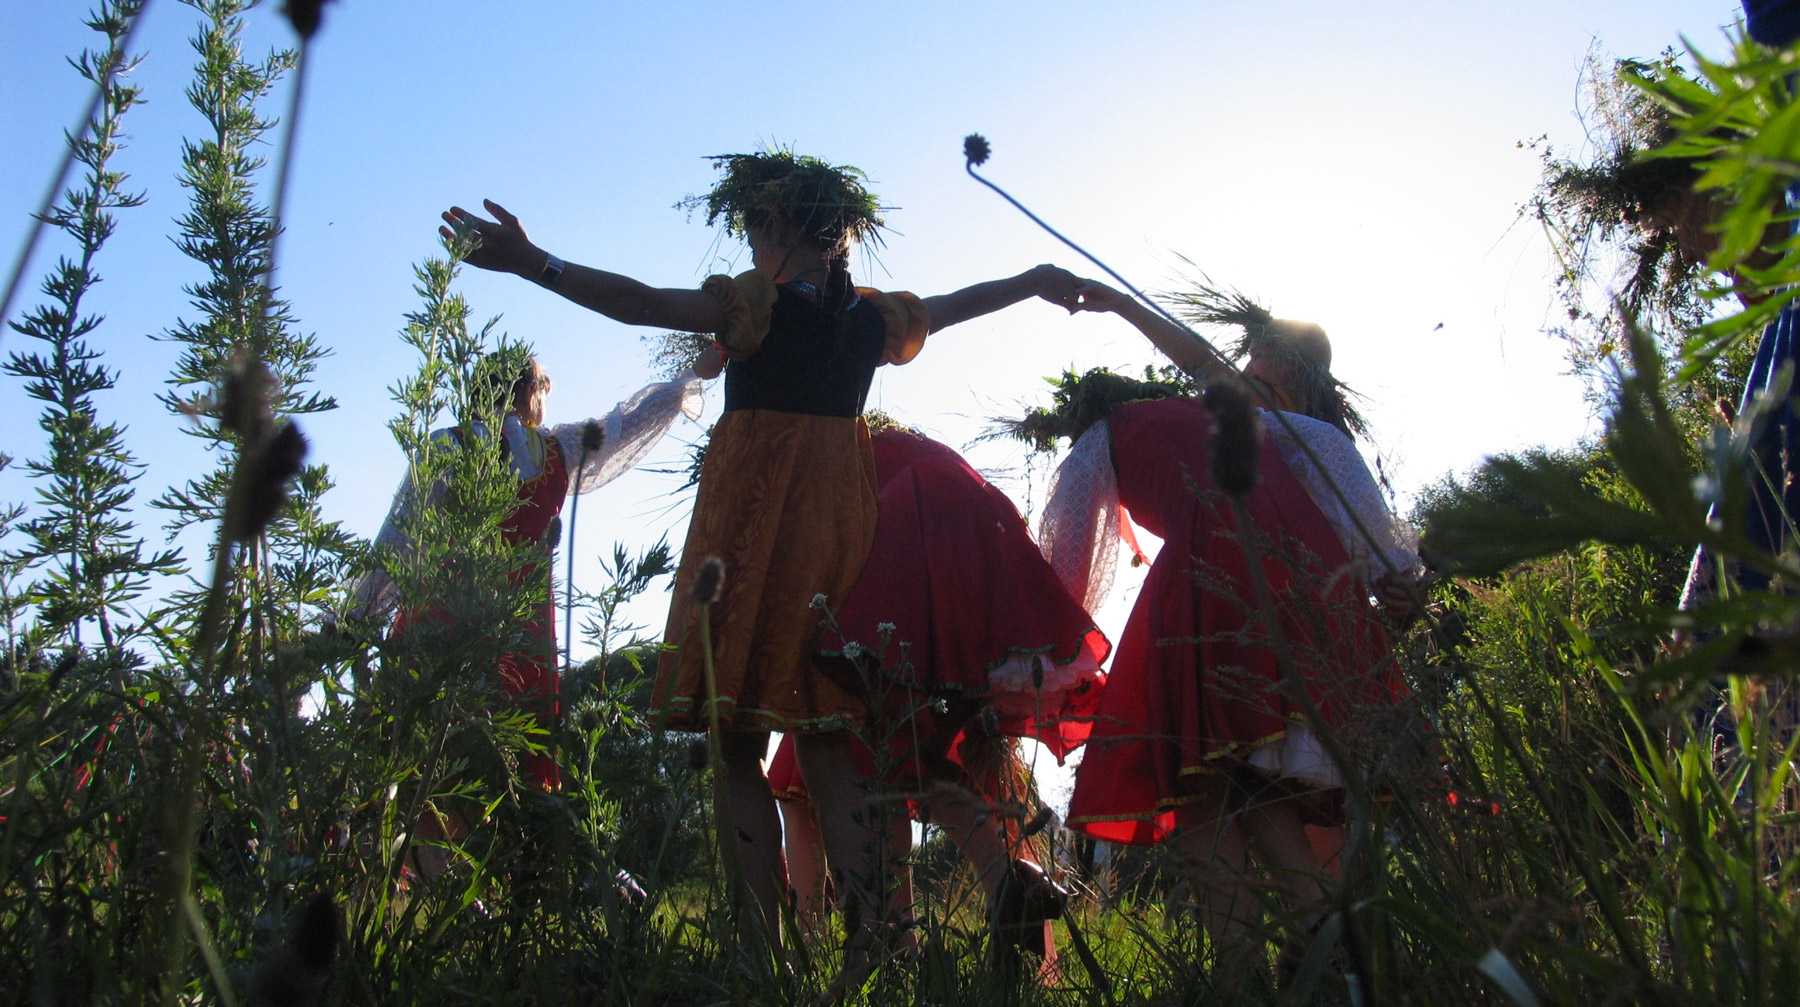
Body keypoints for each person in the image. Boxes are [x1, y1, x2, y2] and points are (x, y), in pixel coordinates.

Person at [438, 149, 1083, 974]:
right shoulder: (870, 318)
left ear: (778, 229)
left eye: (753, 235)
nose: (748, 251)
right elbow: (955, 305)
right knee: (825, 732)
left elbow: (640, 302)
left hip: (747, 527)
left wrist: (535, 263)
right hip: (839, 530)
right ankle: (882, 942)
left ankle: (759, 953)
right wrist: (1032, 279)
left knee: (734, 739)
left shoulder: (757, 304)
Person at [1050, 280, 1416, 961]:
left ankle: (1267, 958)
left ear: (1302, 388)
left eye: (1262, 380)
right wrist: (1396, 580)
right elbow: (1381, 554)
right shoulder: (1277, 433)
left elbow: (1377, 544)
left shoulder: (1306, 438)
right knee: (1239, 780)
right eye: (1244, 374)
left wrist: (1398, 582)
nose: (1243, 387)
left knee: (1209, 780)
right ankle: (1315, 942)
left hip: (1230, 597)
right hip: (1295, 619)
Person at [761, 420, 1109, 971]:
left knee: (869, 748)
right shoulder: (882, 442)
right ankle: (1007, 881)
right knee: (915, 753)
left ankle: (890, 941)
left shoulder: (815, 450)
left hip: (911, 528)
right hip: (978, 529)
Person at [350, 351, 700, 874]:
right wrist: (689, 379)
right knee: (504, 765)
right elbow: (626, 424)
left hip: (437, 621)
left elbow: (398, 540)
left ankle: (451, 894)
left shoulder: (447, 446)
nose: (544, 401)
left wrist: (356, 618)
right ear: (525, 393)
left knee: (434, 765)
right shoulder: (556, 449)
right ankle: (474, 896)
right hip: (521, 630)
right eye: (542, 390)